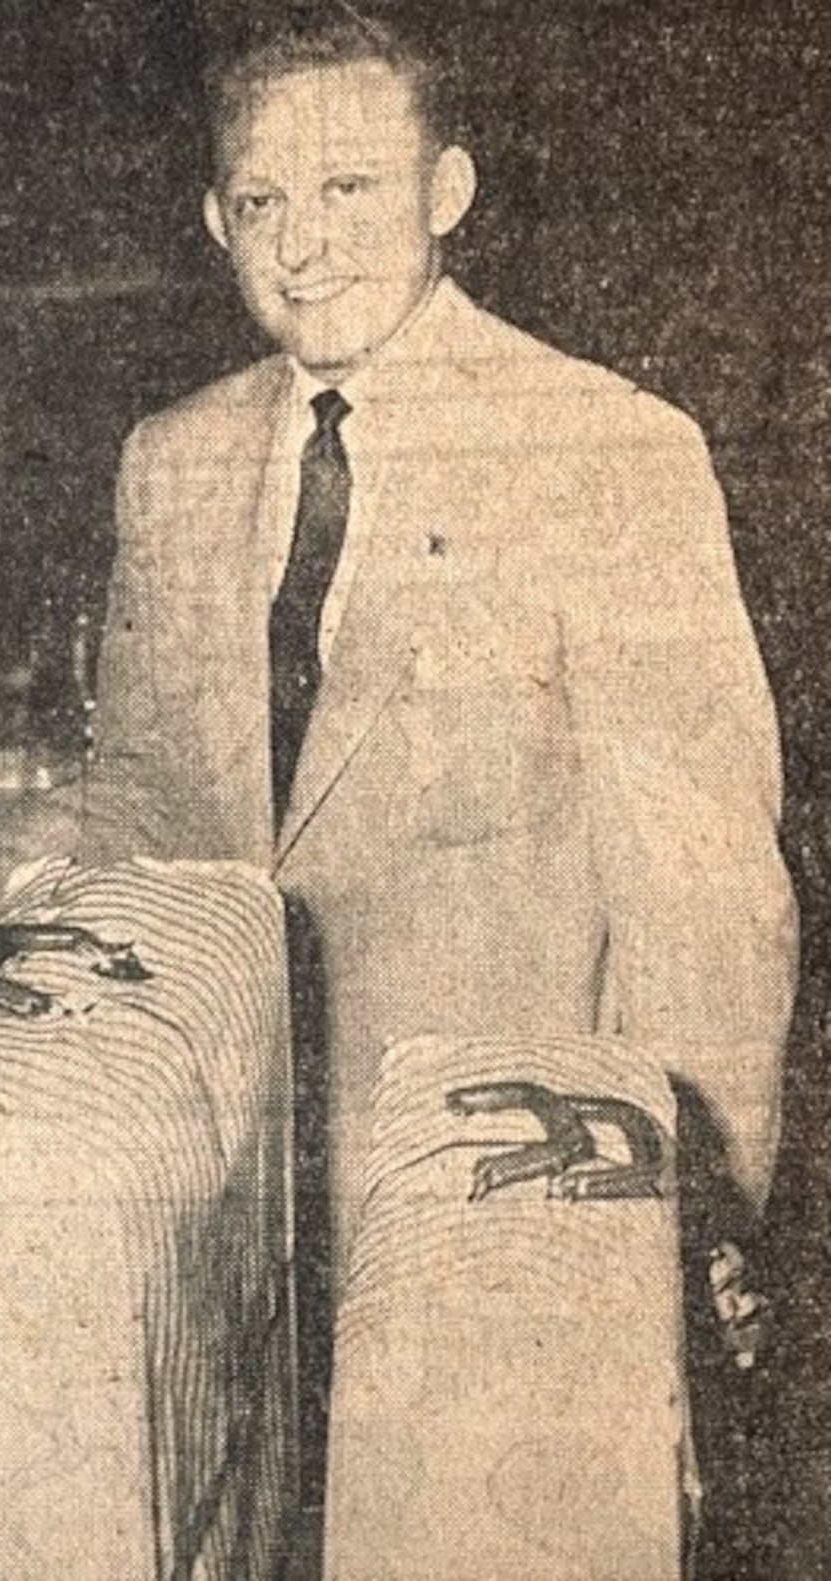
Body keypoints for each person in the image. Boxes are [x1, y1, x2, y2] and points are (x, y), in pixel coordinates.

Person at [78, 9, 797, 1273]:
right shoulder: (169, 459)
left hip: (506, 1189)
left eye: (349, 188)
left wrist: (696, 1200)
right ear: (212, 222)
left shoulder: (605, 449)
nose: (301, 245)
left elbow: (704, 894)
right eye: (260, 201)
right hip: (219, 1197)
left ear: (445, 190)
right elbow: (136, 809)